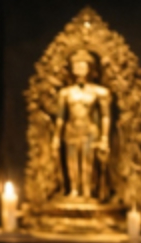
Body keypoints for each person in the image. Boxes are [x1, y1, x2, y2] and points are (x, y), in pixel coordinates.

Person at [51, 49, 111, 200]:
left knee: (88, 162)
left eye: (83, 66)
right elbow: (60, 117)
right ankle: (74, 189)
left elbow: (105, 116)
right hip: (71, 130)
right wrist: (56, 137)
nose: (79, 70)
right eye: (76, 66)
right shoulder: (66, 93)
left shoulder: (99, 92)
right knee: (71, 162)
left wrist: (104, 138)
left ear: (90, 69)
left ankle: (87, 190)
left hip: (90, 130)